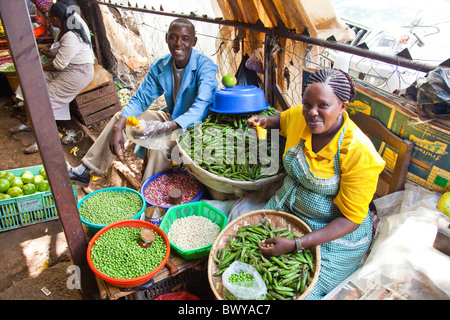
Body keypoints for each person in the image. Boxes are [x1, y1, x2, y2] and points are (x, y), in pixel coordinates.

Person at [247, 68, 386, 299]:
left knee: (299, 291)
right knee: (252, 256)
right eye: (307, 104)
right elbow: (280, 119)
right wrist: (262, 120)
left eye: (323, 105)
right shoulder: (299, 118)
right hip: (288, 206)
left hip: (332, 233)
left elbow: (351, 219)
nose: (312, 113)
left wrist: (296, 244)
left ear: (343, 106)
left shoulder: (359, 152)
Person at [68, 18, 218, 187]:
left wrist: (168, 127)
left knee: (160, 146)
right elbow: (141, 99)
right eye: (173, 37)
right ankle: (85, 169)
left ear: (194, 41)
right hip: (171, 116)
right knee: (121, 117)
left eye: (185, 39)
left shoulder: (205, 66)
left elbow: (202, 105)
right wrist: (119, 127)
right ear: (166, 38)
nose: (178, 43)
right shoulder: (161, 65)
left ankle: (150, 200)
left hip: (195, 126)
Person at [8, 2, 95, 154]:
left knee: (45, 99)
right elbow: (60, 54)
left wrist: (40, 67)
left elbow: (59, 64)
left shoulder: (71, 34)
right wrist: (48, 54)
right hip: (67, 67)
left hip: (78, 73)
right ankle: (29, 123)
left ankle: (45, 140)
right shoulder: (66, 24)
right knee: (28, 82)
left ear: (55, 18)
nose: (47, 20)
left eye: (48, 17)